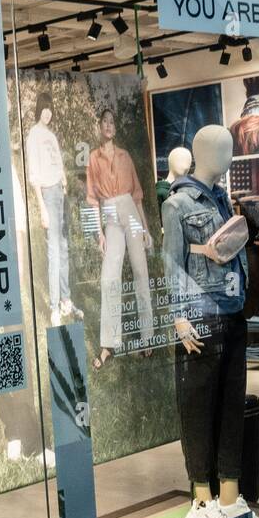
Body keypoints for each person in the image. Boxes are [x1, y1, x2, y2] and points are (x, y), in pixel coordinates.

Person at [85, 107, 154, 369]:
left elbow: (137, 195)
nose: (109, 125)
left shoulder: (125, 156)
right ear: (99, 126)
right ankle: (108, 344)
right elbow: (92, 200)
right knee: (109, 277)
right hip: (110, 214)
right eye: (104, 121)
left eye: (112, 122)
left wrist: (146, 229)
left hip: (130, 211)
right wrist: (99, 232)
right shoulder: (93, 158)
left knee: (140, 271)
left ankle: (148, 338)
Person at [24, 91, 81, 326]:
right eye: (44, 108)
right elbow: (34, 175)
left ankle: (66, 299)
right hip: (47, 194)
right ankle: (54, 306)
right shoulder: (33, 135)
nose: (47, 113)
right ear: (39, 110)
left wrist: (65, 184)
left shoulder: (51, 135)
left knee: (64, 248)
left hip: (60, 192)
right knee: (54, 252)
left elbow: (58, 164)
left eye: (50, 109)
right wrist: (43, 208)